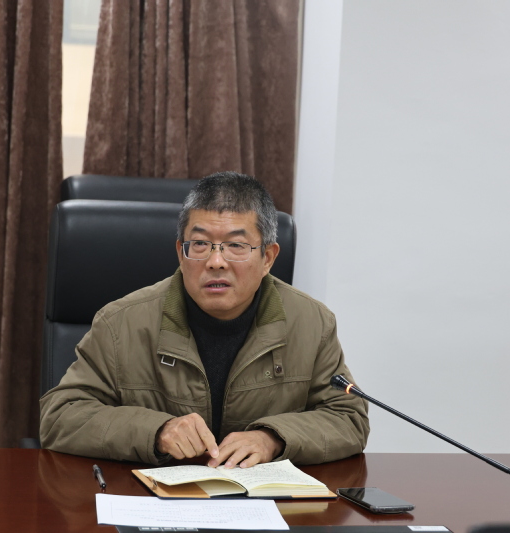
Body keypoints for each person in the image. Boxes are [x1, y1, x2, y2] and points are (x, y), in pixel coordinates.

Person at [39, 172, 369, 467]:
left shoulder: (311, 323)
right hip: (156, 500)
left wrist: (273, 438)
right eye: (199, 244)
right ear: (180, 253)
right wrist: (157, 431)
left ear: (268, 257)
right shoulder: (120, 324)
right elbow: (60, 416)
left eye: (236, 245)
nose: (216, 261)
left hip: (265, 504)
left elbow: (348, 418)